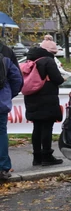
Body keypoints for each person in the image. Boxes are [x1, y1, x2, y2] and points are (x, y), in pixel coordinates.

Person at [24, 40, 65, 166]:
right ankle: (47, 156)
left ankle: (37, 158)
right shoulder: (48, 61)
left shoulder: (30, 60)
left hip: (31, 98)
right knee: (47, 127)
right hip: (47, 98)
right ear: (49, 52)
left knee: (36, 128)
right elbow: (58, 79)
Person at [0, 47, 23, 180]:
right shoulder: (5, 58)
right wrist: (9, 95)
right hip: (1, 103)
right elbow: (17, 79)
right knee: (1, 134)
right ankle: (3, 168)